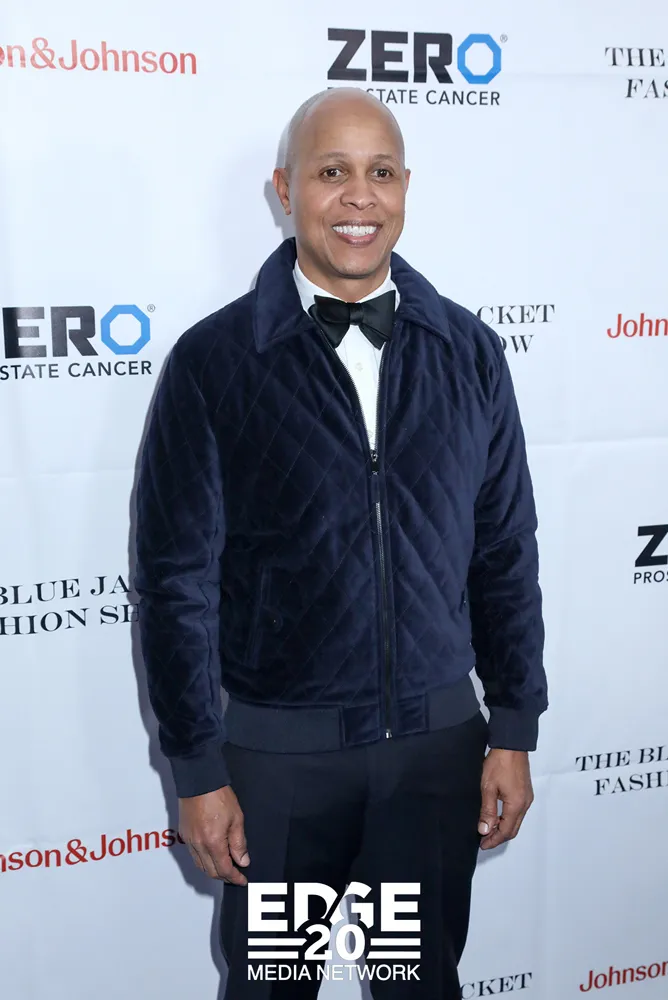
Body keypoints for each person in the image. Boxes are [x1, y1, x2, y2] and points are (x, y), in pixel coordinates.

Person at [134, 88, 548, 999]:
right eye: (332, 172)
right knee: (274, 988)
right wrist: (198, 769)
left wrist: (513, 724)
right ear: (286, 190)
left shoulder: (470, 352)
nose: (360, 196)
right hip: (282, 773)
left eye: (381, 172)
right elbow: (175, 585)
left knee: (416, 985)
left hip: (433, 765)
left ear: (405, 188)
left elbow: (503, 552)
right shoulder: (215, 363)